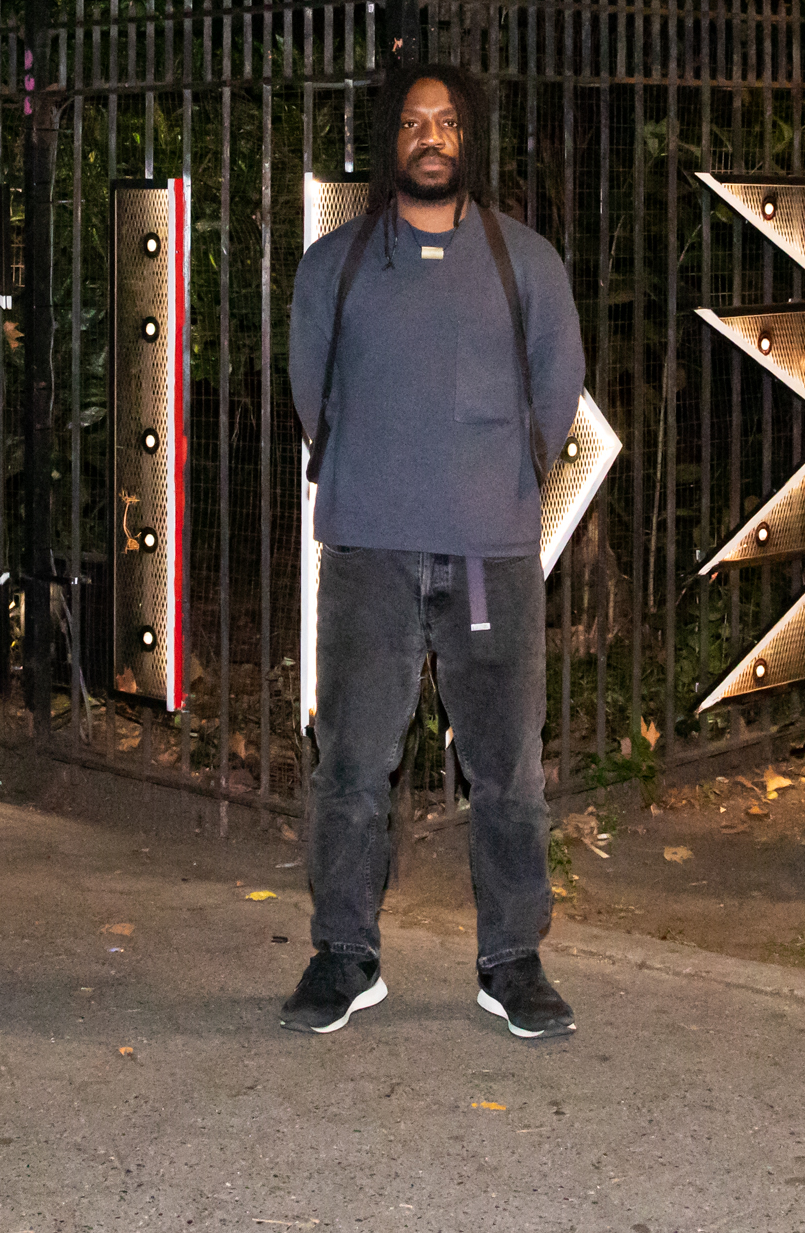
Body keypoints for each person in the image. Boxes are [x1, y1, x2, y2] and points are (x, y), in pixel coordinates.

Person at [280, 62, 586, 1039]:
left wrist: (499, 481)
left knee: (507, 769)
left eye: (447, 121)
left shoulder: (525, 262)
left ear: (469, 138)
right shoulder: (334, 266)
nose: (431, 136)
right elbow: (310, 388)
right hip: (367, 548)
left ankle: (511, 962)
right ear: (391, 140)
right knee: (350, 764)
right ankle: (344, 953)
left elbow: (558, 386)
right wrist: (372, 467)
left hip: (490, 554)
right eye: (413, 122)